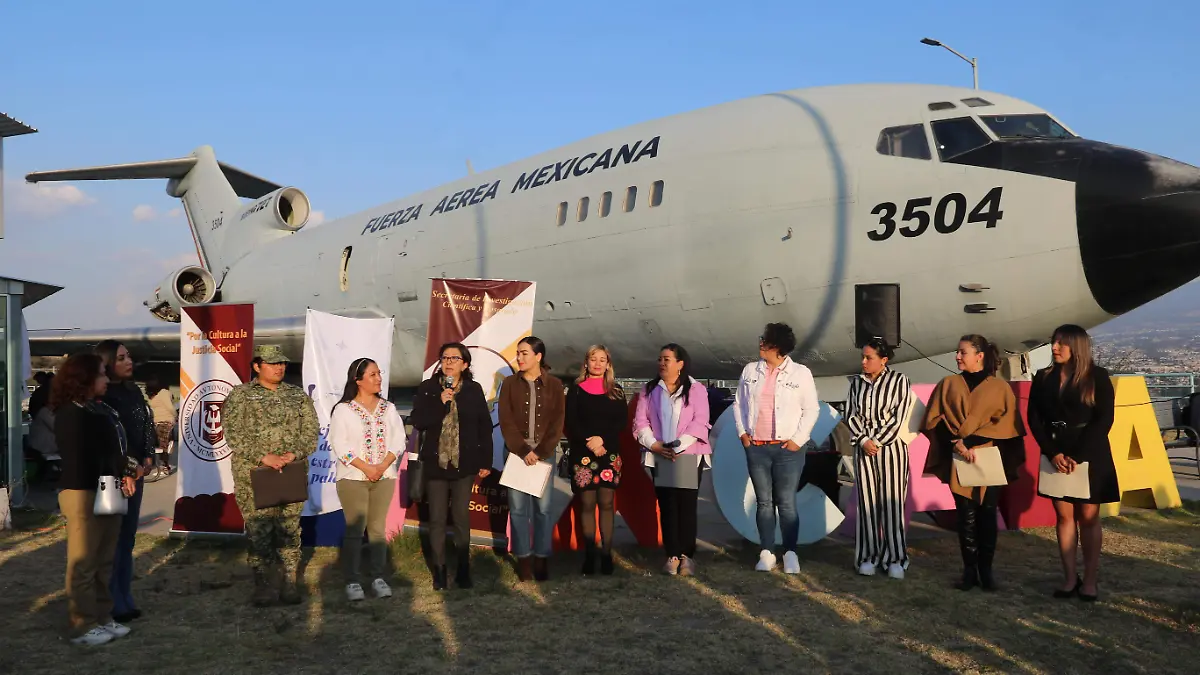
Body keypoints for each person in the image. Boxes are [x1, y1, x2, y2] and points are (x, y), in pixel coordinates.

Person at [921, 335, 1026, 592]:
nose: (957, 356)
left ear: (979, 356)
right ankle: (969, 571)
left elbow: (1008, 425)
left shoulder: (999, 387)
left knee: (987, 513)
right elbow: (934, 421)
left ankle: (986, 571)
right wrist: (957, 444)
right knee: (965, 515)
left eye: (963, 352)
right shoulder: (948, 384)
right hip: (958, 456)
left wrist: (969, 440)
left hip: (989, 456)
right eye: (957, 352)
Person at [222, 344, 320, 606]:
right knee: (259, 531)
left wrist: (293, 454)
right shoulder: (241, 395)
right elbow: (233, 433)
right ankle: (263, 585)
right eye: (273, 363)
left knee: (290, 528)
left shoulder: (297, 396)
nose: (279, 368)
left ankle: (289, 582)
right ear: (257, 366)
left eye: (282, 363)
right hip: (254, 475)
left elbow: (311, 432)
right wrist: (263, 456)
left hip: (290, 472)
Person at [1027, 324, 1118, 602]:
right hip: (1054, 452)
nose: (1054, 348)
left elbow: (1104, 419)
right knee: (1064, 517)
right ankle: (1069, 579)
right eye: (1053, 342)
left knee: (1088, 518)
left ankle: (1089, 581)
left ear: (1076, 347)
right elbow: (1034, 419)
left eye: (1061, 343)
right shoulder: (1043, 377)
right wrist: (1052, 452)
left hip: (1090, 453)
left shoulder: (1097, 376)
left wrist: (1077, 456)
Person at [52, 353, 139, 646]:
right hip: (83, 491)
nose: (106, 378)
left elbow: (113, 450)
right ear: (85, 378)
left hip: (108, 488)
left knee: (104, 559)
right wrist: (121, 468)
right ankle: (82, 624)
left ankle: (103, 616)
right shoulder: (71, 413)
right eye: (102, 373)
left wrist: (126, 468)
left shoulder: (100, 409)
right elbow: (87, 455)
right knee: (84, 562)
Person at [732, 323, 820, 574]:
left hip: (787, 449)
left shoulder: (800, 373)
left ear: (778, 346)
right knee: (764, 502)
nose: (760, 343)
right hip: (757, 447)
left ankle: (790, 552)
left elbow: (811, 409)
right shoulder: (751, 370)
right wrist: (743, 433)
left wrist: (798, 440)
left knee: (787, 502)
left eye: (765, 340)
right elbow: (739, 404)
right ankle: (767, 552)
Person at [410, 342, 494, 591]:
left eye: (454, 358)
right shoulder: (428, 388)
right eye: (444, 357)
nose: (448, 362)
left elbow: (484, 426)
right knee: (437, 518)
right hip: (435, 462)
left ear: (465, 364)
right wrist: (440, 402)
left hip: (464, 463)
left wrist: (485, 460)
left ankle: (463, 569)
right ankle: (439, 569)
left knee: (460, 516)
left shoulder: (473, 390)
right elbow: (419, 421)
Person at [328, 357, 404, 602]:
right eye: (372, 374)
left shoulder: (388, 408)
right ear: (358, 380)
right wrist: (366, 468)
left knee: (377, 529)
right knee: (355, 530)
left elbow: (399, 440)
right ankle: (352, 580)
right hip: (353, 478)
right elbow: (340, 444)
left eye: (379, 373)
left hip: (385, 476)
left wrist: (381, 466)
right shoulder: (344, 410)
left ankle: (378, 577)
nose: (378, 378)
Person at [634, 344, 711, 576]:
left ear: (680, 364)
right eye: (660, 359)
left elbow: (700, 420)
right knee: (667, 506)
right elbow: (640, 422)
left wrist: (678, 446)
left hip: (688, 453)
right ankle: (672, 554)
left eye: (666, 359)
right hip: (659, 453)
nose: (661, 363)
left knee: (686, 506)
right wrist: (655, 445)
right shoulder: (649, 390)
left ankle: (687, 555)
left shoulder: (696, 389)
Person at [94, 340, 156, 624]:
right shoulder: (104, 397)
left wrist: (148, 455)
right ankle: (113, 601)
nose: (128, 361)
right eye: (121, 358)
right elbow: (113, 441)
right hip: (116, 475)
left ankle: (125, 595)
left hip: (137, 473)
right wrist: (130, 467)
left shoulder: (134, 391)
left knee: (128, 537)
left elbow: (145, 425)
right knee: (114, 540)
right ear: (107, 362)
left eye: (128, 356)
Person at [842, 338, 915, 579]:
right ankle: (868, 557)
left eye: (869, 357)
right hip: (864, 450)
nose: (863, 362)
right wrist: (864, 440)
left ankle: (895, 558)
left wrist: (878, 441)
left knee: (892, 505)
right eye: (863, 357)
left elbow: (899, 417)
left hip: (891, 449)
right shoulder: (857, 383)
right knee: (867, 504)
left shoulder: (900, 381)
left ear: (883, 360)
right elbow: (850, 414)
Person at [498, 336, 566, 582]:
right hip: (516, 453)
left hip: (543, 455)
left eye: (524, 353)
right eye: (518, 353)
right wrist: (522, 450)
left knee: (543, 509)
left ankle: (541, 557)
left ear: (538, 356)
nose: (519, 357)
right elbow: (505, 420)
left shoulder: (555, 385)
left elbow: (557, 422)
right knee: (518, 510)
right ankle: (523, 558)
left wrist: (540, 452)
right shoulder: (509, 384)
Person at [564, 345, 629, 575]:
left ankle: (606, 554)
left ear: (608, 364)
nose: (598, 364)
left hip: (608, 453)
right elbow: (571, 422)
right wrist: (590, 442)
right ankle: (590, 555)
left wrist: (602, 440)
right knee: (587, 504)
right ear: (586, 363)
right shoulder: (576, 391)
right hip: (583, 453)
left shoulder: (616, 391)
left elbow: (621, 422)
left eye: (602, 360)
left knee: (607, 503)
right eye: (593, 359)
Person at [145, 375, 176, 476]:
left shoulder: (163, 393)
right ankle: (163, 466)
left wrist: (176, 416)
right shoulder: (154, 395)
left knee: (163, 446)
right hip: (156, 423)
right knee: (159, 446)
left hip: (164, 423)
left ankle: (165, 467)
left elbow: (170, 408)